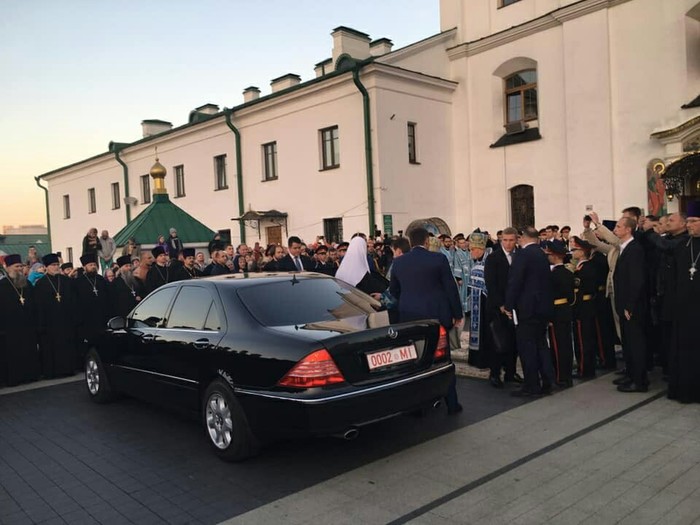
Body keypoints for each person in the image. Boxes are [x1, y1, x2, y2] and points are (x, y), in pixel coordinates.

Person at [389, 227, 464, 414]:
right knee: (443, 359)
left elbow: (394, 291)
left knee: (414, 362)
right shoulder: (438, 259)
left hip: (409, 317)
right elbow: (450, 288)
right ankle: (452, 403)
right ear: (427, 241)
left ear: (411, 241)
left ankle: (417, 406)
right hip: (436, 317)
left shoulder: (399, 263)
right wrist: (457, 314)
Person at [504, 226, 555, 397]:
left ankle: (531, 385)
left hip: (527, 310)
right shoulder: (541, 253)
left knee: (527, 348)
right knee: (541, 345)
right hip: (542, 309)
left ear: (522, 238)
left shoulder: (523, 254)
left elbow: (515, 281)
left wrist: (508, 305)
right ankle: (548, 381)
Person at [667, 201, 700, 403]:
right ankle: (685, 390)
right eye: (688, 221)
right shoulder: (682, 246)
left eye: (694, 221)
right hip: (684, 309)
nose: (690, 225)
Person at [612, 216, 648, 392]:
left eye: (618, 227)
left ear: (628, 229)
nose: (615, 230)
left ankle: (639, 381)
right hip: (623, 305)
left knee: (636, 344)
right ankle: (631, 374)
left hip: (631, 307)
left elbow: (636, 280)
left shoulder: (635, 249)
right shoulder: (624, 248)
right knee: (627, 343)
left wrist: (629, 306)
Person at [484, 227, 520, 387]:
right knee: (498, 342)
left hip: (516, 306)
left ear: (516, 240)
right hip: (497, 307)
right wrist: (500, 305)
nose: (508, 243)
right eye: (505, 240)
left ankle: (510, 373)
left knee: (514, 341)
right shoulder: (493, 258)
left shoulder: (520, 256)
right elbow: (491, 284)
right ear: (501, 240)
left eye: (511, 240)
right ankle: (495, 373)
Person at [34, 253, 77, 378]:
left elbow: (73, 301)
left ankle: (68, 369)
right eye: (53, 265)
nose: (56, 267)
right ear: (46, 267)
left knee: (66, 347)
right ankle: (52, 372)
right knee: (51, 348)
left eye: (57, 265)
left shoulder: (66, 281)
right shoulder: (40, 284)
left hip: (65, 321)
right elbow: (39, 307)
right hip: (50, 323)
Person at [0, 254, 40, 386]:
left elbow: (35, 305)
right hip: (10, 329)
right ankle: (14, 379)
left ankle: (30, 375)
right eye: (16, 266)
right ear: (8, 268)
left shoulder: (27, 284)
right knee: (13, 355)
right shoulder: (2, 286)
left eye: (21, 266)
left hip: (28, 327)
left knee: (29, 352)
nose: (19, 269)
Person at [544, 240, 575, 387]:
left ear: (555, 256)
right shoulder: (568, 273)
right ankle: (567, 375)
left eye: (549, 254)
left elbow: (549, 296)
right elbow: (571, 297)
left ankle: (560, 376)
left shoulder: (552, 275)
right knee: (566, 344)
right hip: (565, 311)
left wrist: (548, 315)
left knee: (557, 346)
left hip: (555, 312)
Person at [570, 236, 600, 380]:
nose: (572, 252)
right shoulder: (582, 267)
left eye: (575, 249)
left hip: (583, 307)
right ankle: (587, 367)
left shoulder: (585, 268)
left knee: (583, 340)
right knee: (584, 338)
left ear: (582, 252)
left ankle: (585, 369)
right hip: (585, 307)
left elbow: (580, 288)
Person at [74, 254, 110, 368]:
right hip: (87, 321)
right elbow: (76, 302)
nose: (93, 267)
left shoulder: (100, 280)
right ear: (84, 267)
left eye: (95, 264)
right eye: (91, 265)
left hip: (102, 318)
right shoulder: (78, 282)